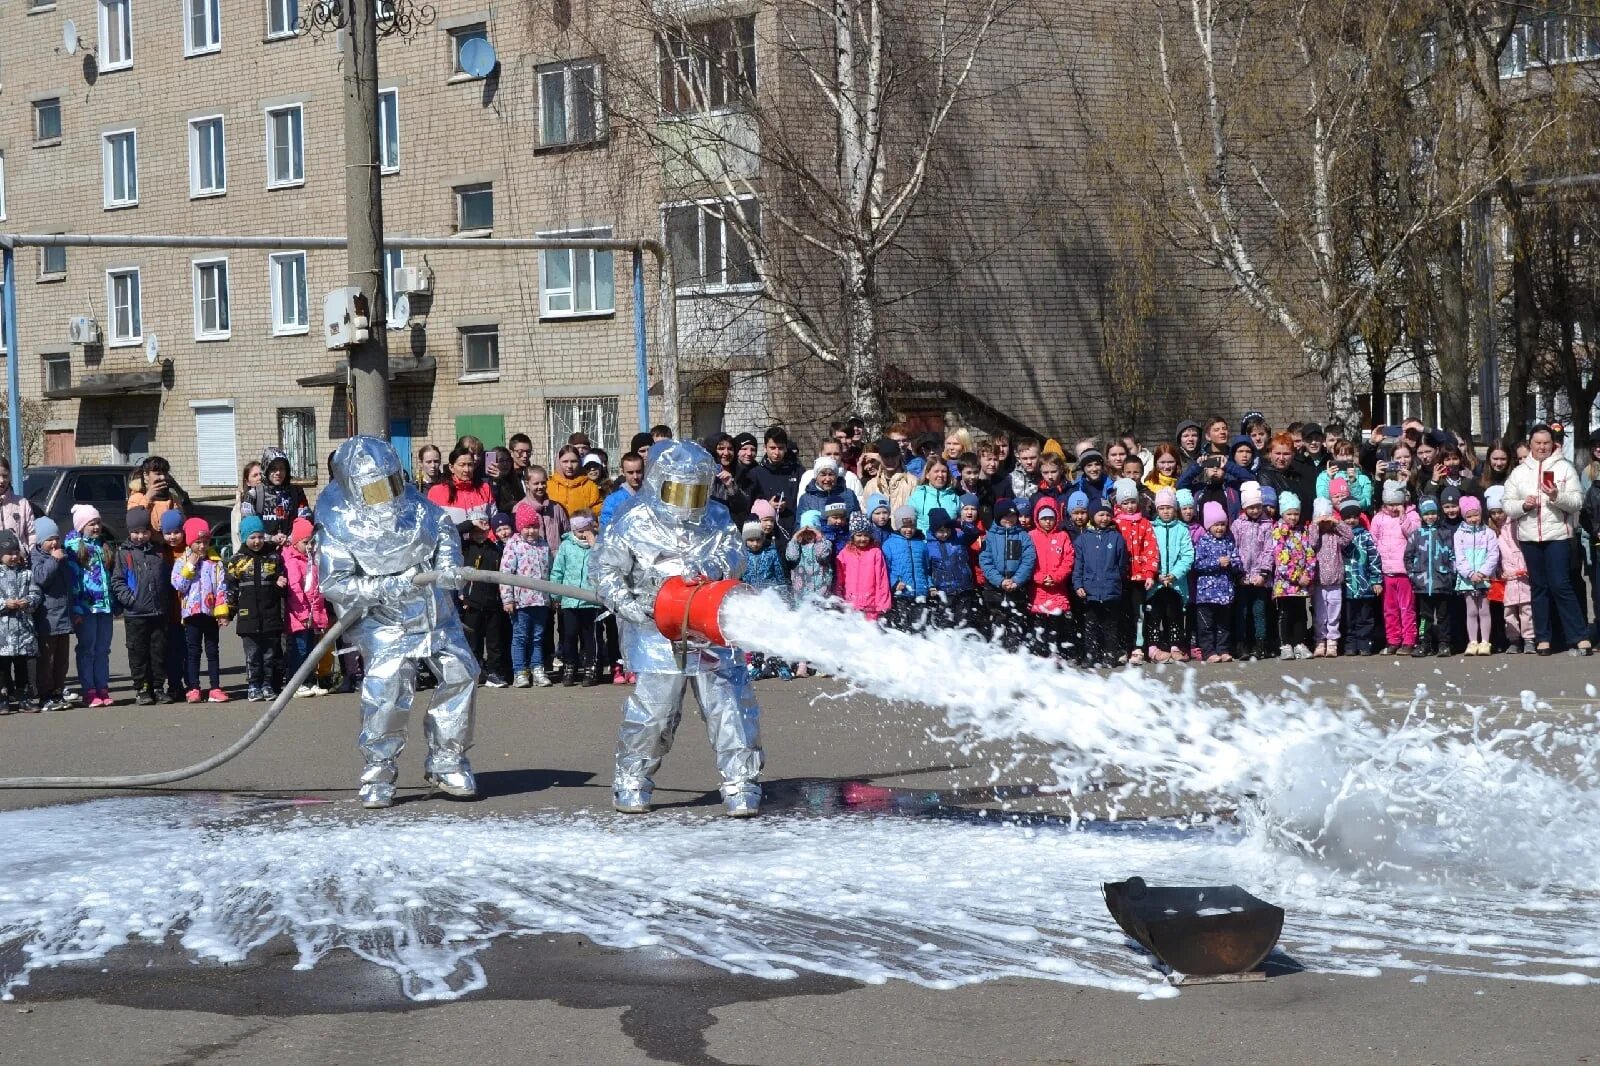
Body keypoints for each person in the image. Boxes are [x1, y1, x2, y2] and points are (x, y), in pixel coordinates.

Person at [592, 440, 764, 817]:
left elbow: (734, 553)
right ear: (659, 484)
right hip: (657, 633)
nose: (688, 500)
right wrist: (630, 604)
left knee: (731, 708)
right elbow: (604, 570)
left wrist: (713, 568)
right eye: (678, 490)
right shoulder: (632, 519)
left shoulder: (716, 517)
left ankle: (741, 781)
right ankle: (632, 778)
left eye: (696, 491)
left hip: (711, 627)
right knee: (654, 714)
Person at [316, 436, 480, 809]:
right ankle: (379, 771)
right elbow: (335, 584)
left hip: (435, 610)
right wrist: (387, 586)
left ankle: (447, 759)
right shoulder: (338, 526)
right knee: (389, 689)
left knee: (461, 672)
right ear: (354, 488)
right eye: (374, 487)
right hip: (384, 621)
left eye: (390, 482)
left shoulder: (416, 507)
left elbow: (441, 527)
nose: (386, 493)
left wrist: (450, 566)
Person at [1501, 425, 1591, 655]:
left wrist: (1556, 496)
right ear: (1530, 444)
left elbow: (1577, 502)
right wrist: (1523, 505)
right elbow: (1507, 505)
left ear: (1553, 445)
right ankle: (1543, 638)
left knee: (1561, 585)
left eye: (1546, 443)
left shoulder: (1564, 468)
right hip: (1530, 537)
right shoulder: (1520, 472)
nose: (1542, 447)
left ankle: (1578, 635)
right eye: (1538, 443)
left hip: (1558, 536)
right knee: (1539, 588)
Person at [107, 506, 170, 706]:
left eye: (144, 531)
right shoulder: (124, 553)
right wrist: (130, 600)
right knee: (138, 652)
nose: (140, 536)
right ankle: (142, 688)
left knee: (158, 652)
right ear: (129, 532)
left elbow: (166, 578)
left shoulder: (158, 552)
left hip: (158, 611)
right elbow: (117, 581)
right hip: (136, 613)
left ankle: (158, 687)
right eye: (135, 532)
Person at [226, 515, 288, 700]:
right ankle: (253, 685)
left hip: (271, 615)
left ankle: (268, 684)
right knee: (252, 655)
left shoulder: (273, 557)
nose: (257, 541)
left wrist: (281, 583)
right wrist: (228, 612)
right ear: (245, 538)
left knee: (270, 654)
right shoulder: (237, 560)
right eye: (252, 537)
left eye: (260, 536)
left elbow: (281, 583)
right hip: (248, 617)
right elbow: (231, 588)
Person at [171, 516, 230, 703]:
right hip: (191, 614)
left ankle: (215, 687)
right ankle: (194, 687)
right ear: (190, 542)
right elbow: (178, 585)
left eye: (205, 542)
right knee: (193, 651)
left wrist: (222, 613)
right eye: (198, 542)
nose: (202, 546)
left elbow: (222, 588)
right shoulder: (182, 562)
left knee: (212, 650)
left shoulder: (215, 562)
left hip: (211, 614)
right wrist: (190, 566)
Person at [66, 505, 116, 707]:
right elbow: (73, 581)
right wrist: (76, 607)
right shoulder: (74, 548)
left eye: (98, 523)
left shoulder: (103, 546)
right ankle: (89, 690)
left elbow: (110, 578)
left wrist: (114, 602)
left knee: (103, 649)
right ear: (81, 526)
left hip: (105, 607)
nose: (96, 527)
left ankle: (102, 687)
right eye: (91, 524)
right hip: (86, 608)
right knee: (88, 648)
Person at [501, 507, 554, 688]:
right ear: (519, 528)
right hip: (521, 601)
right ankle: (520, 672)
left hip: (541, 600)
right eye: (526, 527)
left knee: (538, 637)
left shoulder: (544, 545)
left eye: (534, 527)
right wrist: (508, 599)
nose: (531, 531)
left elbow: (550, 572)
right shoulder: (513, 545)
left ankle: (537, 668)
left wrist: (553, 596)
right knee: (520, 636)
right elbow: (506, 573)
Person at [1072, 498, 1128, 668]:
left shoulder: (1116, 538)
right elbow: (1078, 565)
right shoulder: (1083, 539)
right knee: (1091, 626)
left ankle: (1109, 655)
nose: (1104, 518)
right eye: (1100, 514)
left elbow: (1122, 564)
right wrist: (1078, 585)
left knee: (1110, 625)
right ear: (1092, 516)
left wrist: (1115, 581)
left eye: (1107, 514)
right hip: (1090, 591)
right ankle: (1091, 655)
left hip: (1111, 590)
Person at [550, 514, 604, 686]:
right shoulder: (566, 546)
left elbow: (604, 564)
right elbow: (557, 571)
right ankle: (570, 666)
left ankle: (591, 667)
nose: (582, 535)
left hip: (591, 600)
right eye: (579, 531)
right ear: (573, 530)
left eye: (586, 531)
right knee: (570, 635)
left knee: (590, 637)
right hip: (570, 600)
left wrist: (594, 544)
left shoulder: (597, 546)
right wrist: (556, 595)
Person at [978, 499, 1037, 650]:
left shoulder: (1022, 536)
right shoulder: (990, 536)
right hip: (994, 588)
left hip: (1017, 587)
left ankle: (1013, 652)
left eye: (1012, 516)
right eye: (1005, 516)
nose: (1009, 520)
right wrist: (999, 580)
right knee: (996, 621)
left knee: (1015, 620)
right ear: (997, 518)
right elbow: (985, 561)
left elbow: (1028, 559)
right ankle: (995, 652)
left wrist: (1017, 580)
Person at [28, 517, 73, 711]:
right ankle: (45, 694)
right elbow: (41, 578)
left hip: (64, 615)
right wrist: (54, 559)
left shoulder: (62, 556)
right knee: (47, 659)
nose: (54, 543)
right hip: (47, 618)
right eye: (49, 539)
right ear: (39, 542)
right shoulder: (37, 558)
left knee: (62, 660)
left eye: (56, 538)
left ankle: (58, 691)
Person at [1112, 479, 1158, 663]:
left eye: (1132, 502)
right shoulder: (1114, 523)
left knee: (1138, 612)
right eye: (1125, 502)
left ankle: (1138, 647)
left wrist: (1149, 573)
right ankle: (1123, 646)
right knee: (1122, 613)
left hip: (1139, 577)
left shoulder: (1145, 524)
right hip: (1120, 577)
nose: (1130, 506)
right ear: (1119, 504)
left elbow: (1152, 550)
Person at [1372, 480, 1419, 654]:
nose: (1393, 508)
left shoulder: (1411, 515)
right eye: (1390, 504)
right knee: (1389, 608)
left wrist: (1403, 517)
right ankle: (1393, 639)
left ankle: (1409, 640)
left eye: (1397, 504)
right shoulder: (1379, 518)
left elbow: (1414, 534)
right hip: (1386, 571)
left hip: (1404, 571)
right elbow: (1374, 540)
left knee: (1407, 607)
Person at [1405, 497, 1456, 657]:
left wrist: (1451, 575)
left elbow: (1453, 555)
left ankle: (1444, 644)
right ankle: (1424, 644)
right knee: (1425, 616)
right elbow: (1408, 557)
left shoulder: (1445, 533)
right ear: (1421, 516)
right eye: (1426, 514)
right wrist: (1413, 575)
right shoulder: (1416, 534)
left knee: (1443, 616)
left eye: (1433, 513)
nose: (1430, 517)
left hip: (1442, 582)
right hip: (1422, 583)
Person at [1146, 488, 1192, 662]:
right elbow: (1147, 552)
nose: (1166, 511)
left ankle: (1175, 646)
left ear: (1175, 509)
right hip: (1156, 582)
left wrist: (1174, 574)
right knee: (1154, 614)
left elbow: (1187, 555)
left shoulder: (1182, 529)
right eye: (1162, 508)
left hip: (1175, 582)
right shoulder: (1150, 528)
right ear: (1157, 510)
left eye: (1169, 508)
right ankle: (1153, 647)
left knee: (1175, 614)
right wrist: (1155, 573)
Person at [1488, 485, 1533, 653]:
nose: (1497, 515)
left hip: (1522, 574)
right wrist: (1498, 571)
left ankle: (1529, 639)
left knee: (1526, 610)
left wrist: (1525, 567)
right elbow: (1494, 556)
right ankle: (1513, 640)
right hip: (1506, 578)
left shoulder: (1516, 525)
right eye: (1493, 512)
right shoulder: (1493, 532)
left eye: (1500, 511)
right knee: (1508, 612)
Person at [1027, 498, 1074, 658]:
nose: (1047, 522)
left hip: (1057, 590)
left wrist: (1056, 577)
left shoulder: (1063, 536)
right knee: (1039, 627)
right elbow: (1028, 561)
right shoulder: (1031, 536)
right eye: (1044, 518)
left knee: (1056, 626)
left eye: (1051, 518)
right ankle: (1039, 655)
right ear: (1037, 518)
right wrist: (1039, 578)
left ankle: (1056, 656)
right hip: (1037, 591)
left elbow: (1068, 560)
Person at [1270, 492, 1314, 660]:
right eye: (1289, 514)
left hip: (1302, 583)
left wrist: (1308, 574)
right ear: (1283, 514)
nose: (1293, 517)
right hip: (1285, 583)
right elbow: (1280, 558)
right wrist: (1295, 576)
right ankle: (1285, 644)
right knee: (1285, 613)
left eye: (1296, 513)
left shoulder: (1302, 531)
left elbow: (1310, 554)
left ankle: (1299, 643)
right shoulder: (1278, 531)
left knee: (1301, 614)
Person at [1453, 495, 1499, 656]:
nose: (1473, 519)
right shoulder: (1459, 534)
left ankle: (1485, 642)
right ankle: (1472, 641)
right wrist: (1470, 573)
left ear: (1481, 514)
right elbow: (1459, 557)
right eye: (1469, 516)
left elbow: (1493, 555)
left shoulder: (1489, 533)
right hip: (1467, 579)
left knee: (1484, 610)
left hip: (1484, 578)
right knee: (1471, 611)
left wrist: (1482, 572)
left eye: (1476, 515)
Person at [1191, 502, 1237, 662]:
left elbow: (1238, 560)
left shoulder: (1229, 540)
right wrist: (1217, 562)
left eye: (1222, 524)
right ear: (1209, 525)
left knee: (1223, 625)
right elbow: (1197, 564)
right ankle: (1208, 651)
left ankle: (1223, 649)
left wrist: (1231, 562)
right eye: (1216, 525)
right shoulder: (1203, 541)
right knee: (1206, 625)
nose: (1220, 528)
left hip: (1225, 592)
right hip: (1206, 593)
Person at [1306, 498, 1352, 657]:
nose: (1325, 523)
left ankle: (1332, 641)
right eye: (1322, 519)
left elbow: (1349, 536)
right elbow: (1310, 542)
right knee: (1320, 615)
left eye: (1327, 519)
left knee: (1334, 613)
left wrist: (1336, 522)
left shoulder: (1335, 536)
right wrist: (1315, 524)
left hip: (1335, 582)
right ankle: (1320, 640)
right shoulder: (1315, 535)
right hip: (1319, 582)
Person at [1339, 499, 1383, 655]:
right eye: (1347, 517)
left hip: (1364, 586)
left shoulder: (1366, 536)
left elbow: (1374, 558)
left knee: (1365, 617)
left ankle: (1365, 643)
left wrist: (1376, 580)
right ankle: (1350, 644)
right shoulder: (1339, 537)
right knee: (1348, 618)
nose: (1351, 520)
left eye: (1354, 517)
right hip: (1347, 586)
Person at [742, 426, 805, 534]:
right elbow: (748, 507)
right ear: (765, 448)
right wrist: (767, 506)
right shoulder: (755, 474)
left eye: (780, 448)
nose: (776, 452)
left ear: (785, 448)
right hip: (766, 535)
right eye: (772, 448)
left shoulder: (798, 471)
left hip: (794, 530)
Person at [241, 449, 312, 545]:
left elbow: (305, 519)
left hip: (292, 550)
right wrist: (270, 538)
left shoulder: (296, 492)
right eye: (273, 468)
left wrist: (292, 538)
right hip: (263, 551)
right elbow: (247, 526)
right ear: (266, 469)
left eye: (282, 468)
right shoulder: (254, 495)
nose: (278, 472)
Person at [836, 513, 893, 622]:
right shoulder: (845, 553)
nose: (863, 539)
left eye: (866, 535)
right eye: (859, 535)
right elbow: (840, 580)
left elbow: (882, 580)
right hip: (850, 606)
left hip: (871, 607)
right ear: (852, 535)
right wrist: (839, 599)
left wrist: (883, 604)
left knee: (869, 636)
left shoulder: (875, 552)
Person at [881, 506, 929, 631]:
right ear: (898, 526)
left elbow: (926, 568)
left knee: (920, 627)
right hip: (901, 594)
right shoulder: (889, 544)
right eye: (905, 527)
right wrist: (895, 583)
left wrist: (929, 585)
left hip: (920, 592)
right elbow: (885, 569)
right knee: (902, 627)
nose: (909, 530)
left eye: (911, 526)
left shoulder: (921, 544)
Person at [427, 446, 496, 526]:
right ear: (451, 468)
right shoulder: (436, 492)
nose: (466, 469)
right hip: (452, 538)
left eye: (470, 465)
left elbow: (493, 519)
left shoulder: (484, 488)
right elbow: (432, 525)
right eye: (462, 465)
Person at [126, 456, 194, 532]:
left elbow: (181, 523)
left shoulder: (172, 498)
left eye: (165, 473)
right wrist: (148, 498)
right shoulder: (136, 498)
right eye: (157, 474)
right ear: (146, 475)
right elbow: (135, 523)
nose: (162, 477)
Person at [0, 459, 37, 550]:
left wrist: (31, 557)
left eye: (5, 476)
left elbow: (32, 534)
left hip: (19, 561)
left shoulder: (22, 504)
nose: (1, 480)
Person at [484, 446, 524, 514]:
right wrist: (496, 481)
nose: (505, 464)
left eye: (508, 460)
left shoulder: (515, 479)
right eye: (501, 460)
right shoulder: (486, 482)